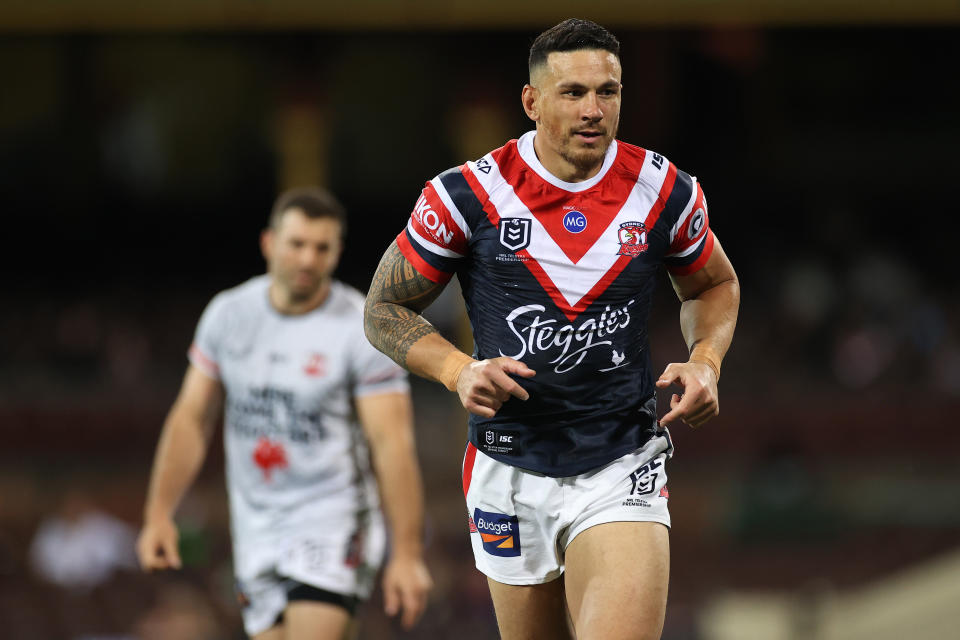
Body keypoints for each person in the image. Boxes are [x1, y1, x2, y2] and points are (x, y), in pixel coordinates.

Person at [363, 18, 739, 640]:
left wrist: (707, 361)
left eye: (608, 92)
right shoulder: (467, 196)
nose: (593, 110)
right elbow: (382, 309)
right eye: (573, 93)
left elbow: (714, 284)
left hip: (621, 461)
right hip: (507, 468)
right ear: (532, 101)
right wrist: (460, 371)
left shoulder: (663, 191)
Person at [137, 187, 433, 639]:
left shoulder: (363, 328)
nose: (308, 259)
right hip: (255, 525)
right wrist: (159, 513)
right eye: (297, 244)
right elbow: (191, 418)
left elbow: (392, 445)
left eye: (322, 247)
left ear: (337, 253)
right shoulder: (228, 316)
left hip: (333, 519)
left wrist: (407, 554)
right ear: (269, 244)